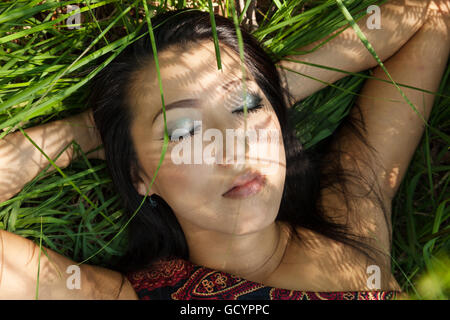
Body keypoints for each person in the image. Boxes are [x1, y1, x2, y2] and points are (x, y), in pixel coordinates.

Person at [0, 0, 448, 300]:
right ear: (141, 176)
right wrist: (85, 134)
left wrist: (270, 89)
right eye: (182, 132)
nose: (233, 150)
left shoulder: (350, 223)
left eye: (248, 107)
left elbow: (430, 16)